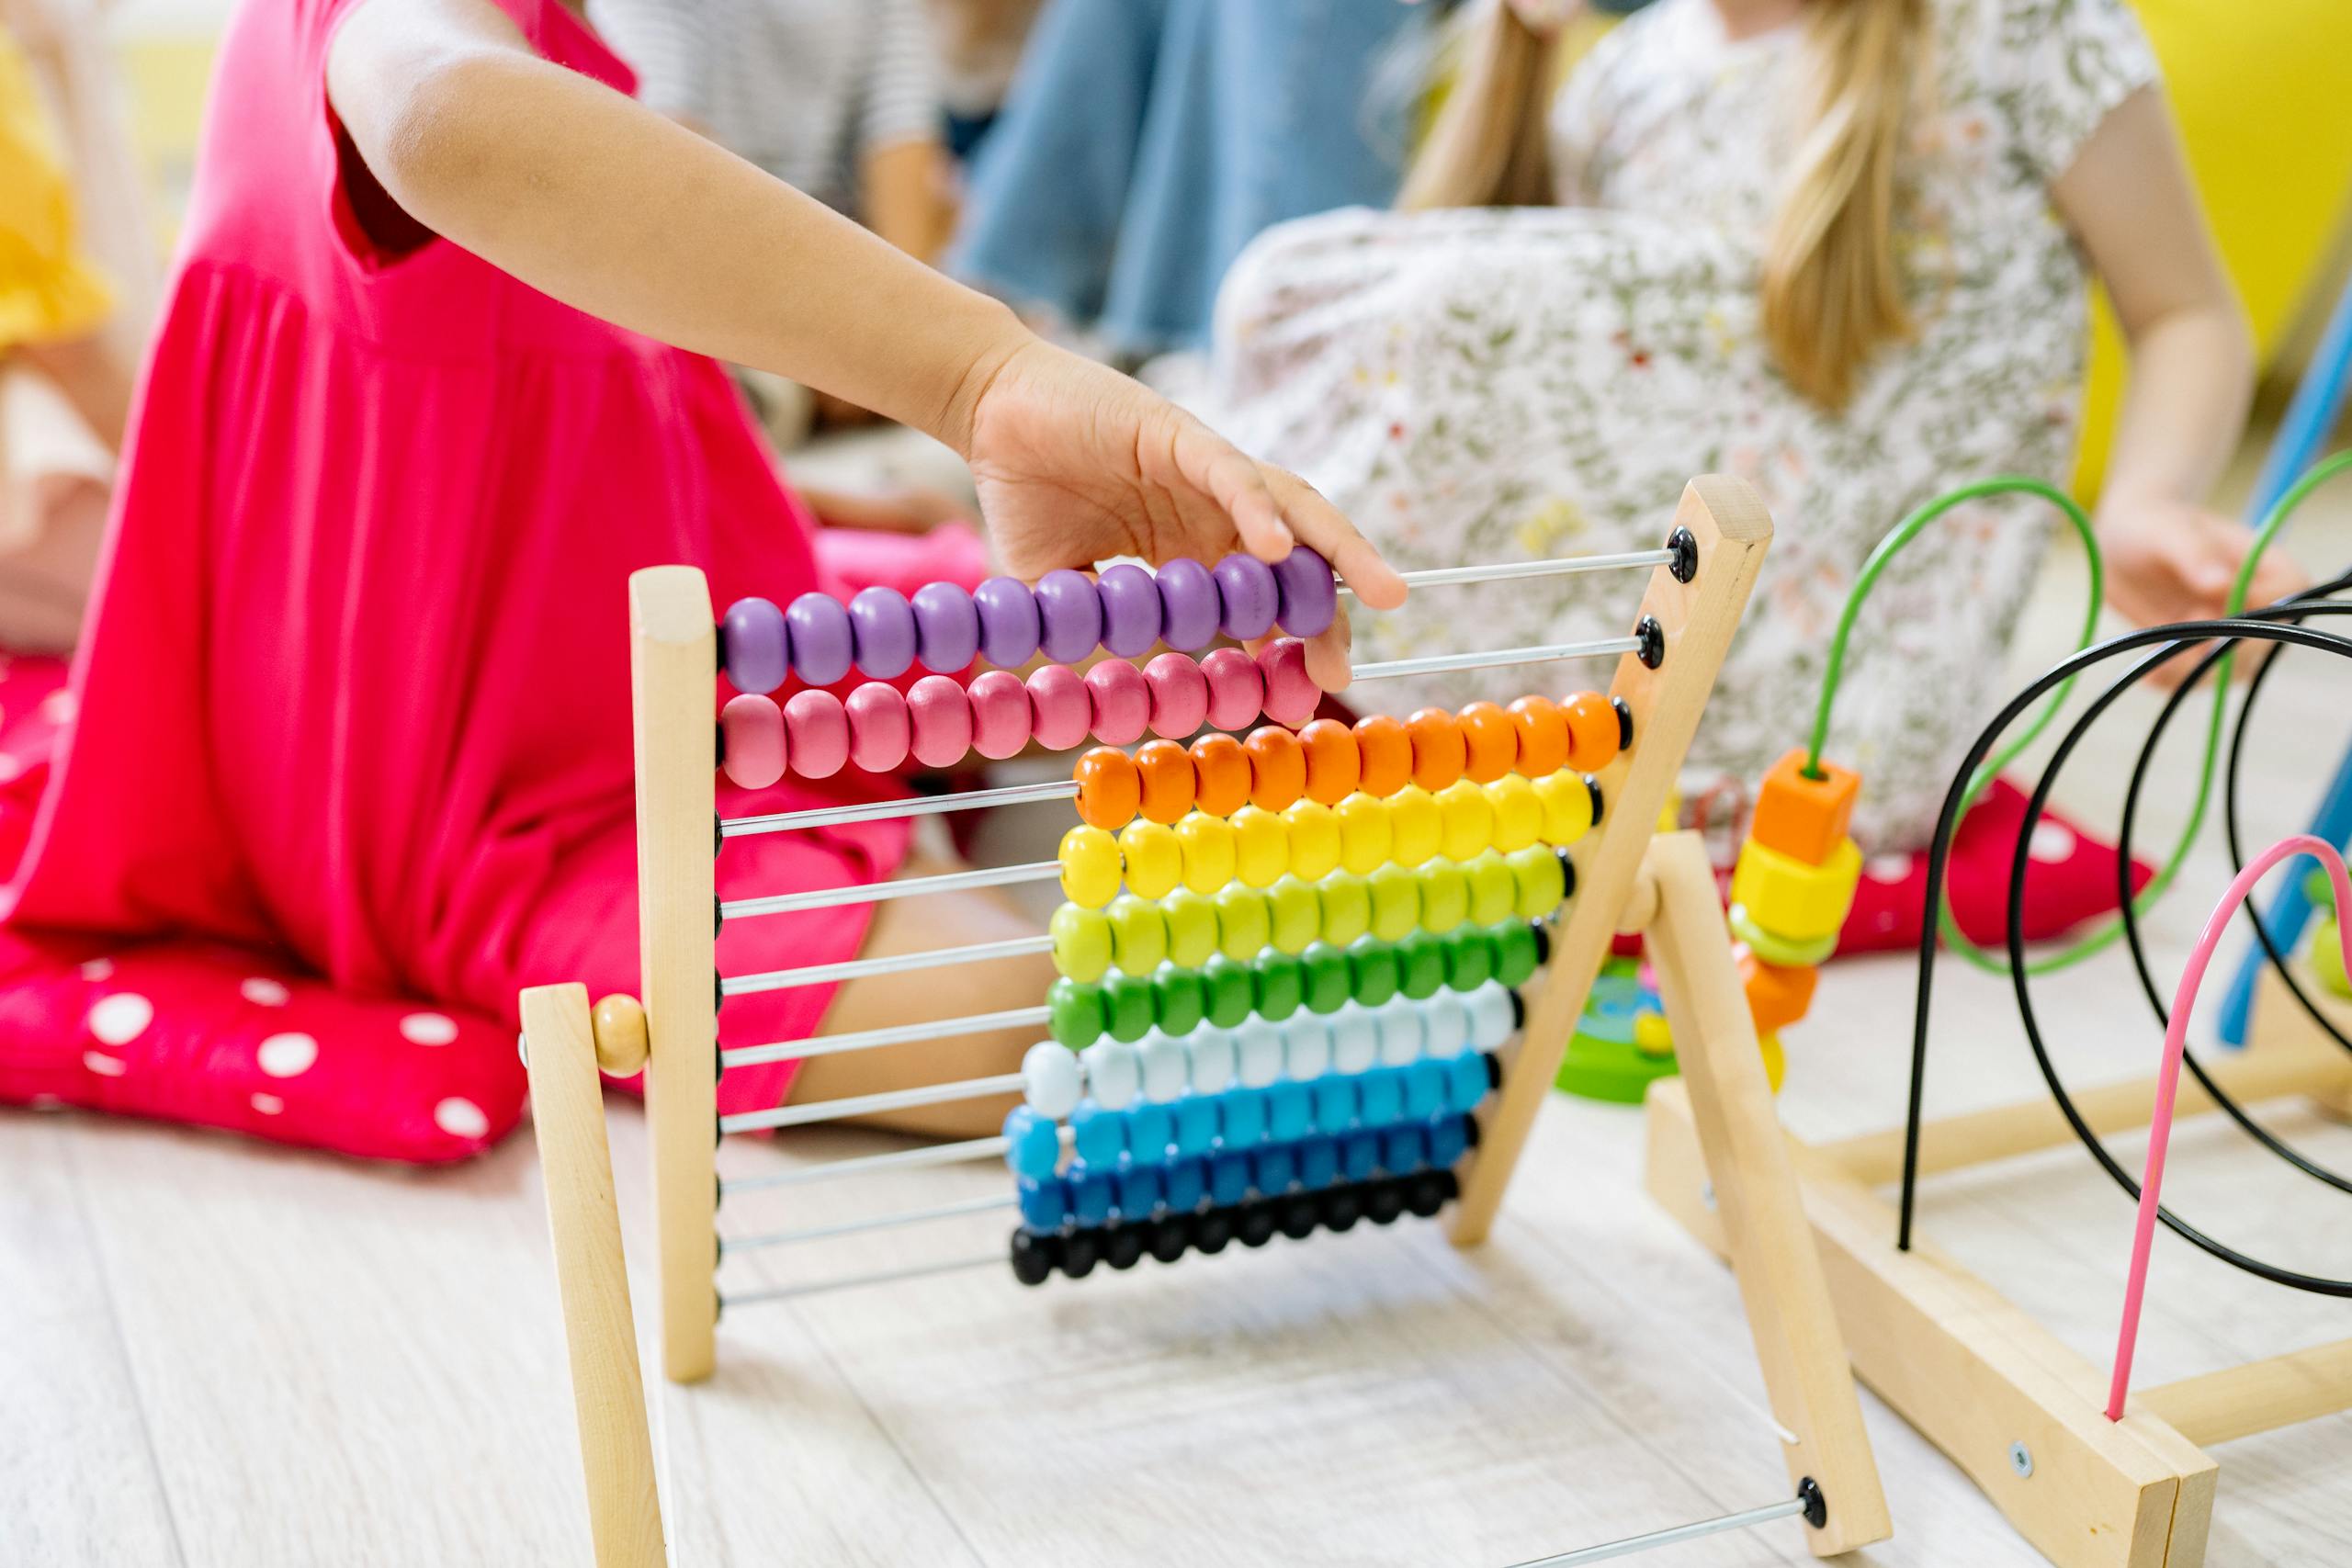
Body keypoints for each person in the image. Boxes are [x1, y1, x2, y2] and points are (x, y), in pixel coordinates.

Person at [1, 0, 1402, 1149]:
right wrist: (982, 375)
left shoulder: (566, 47)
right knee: (1007, 1022)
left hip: (669, 616)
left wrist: (784, 486)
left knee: (1099, 649)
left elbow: (514, 410)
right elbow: (445, 116)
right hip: (483, 801)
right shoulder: (399, 39)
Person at [1193, 0, 2304, 847]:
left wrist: (2143, 504)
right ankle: (1265, 613)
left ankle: (1265, 614)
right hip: (1651, 624)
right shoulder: (1630, 75)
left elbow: (2185, 311)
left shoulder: (2013, 29)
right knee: (1336, 299)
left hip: (1846, 701)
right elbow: (1605, 417)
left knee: (1436, 310)